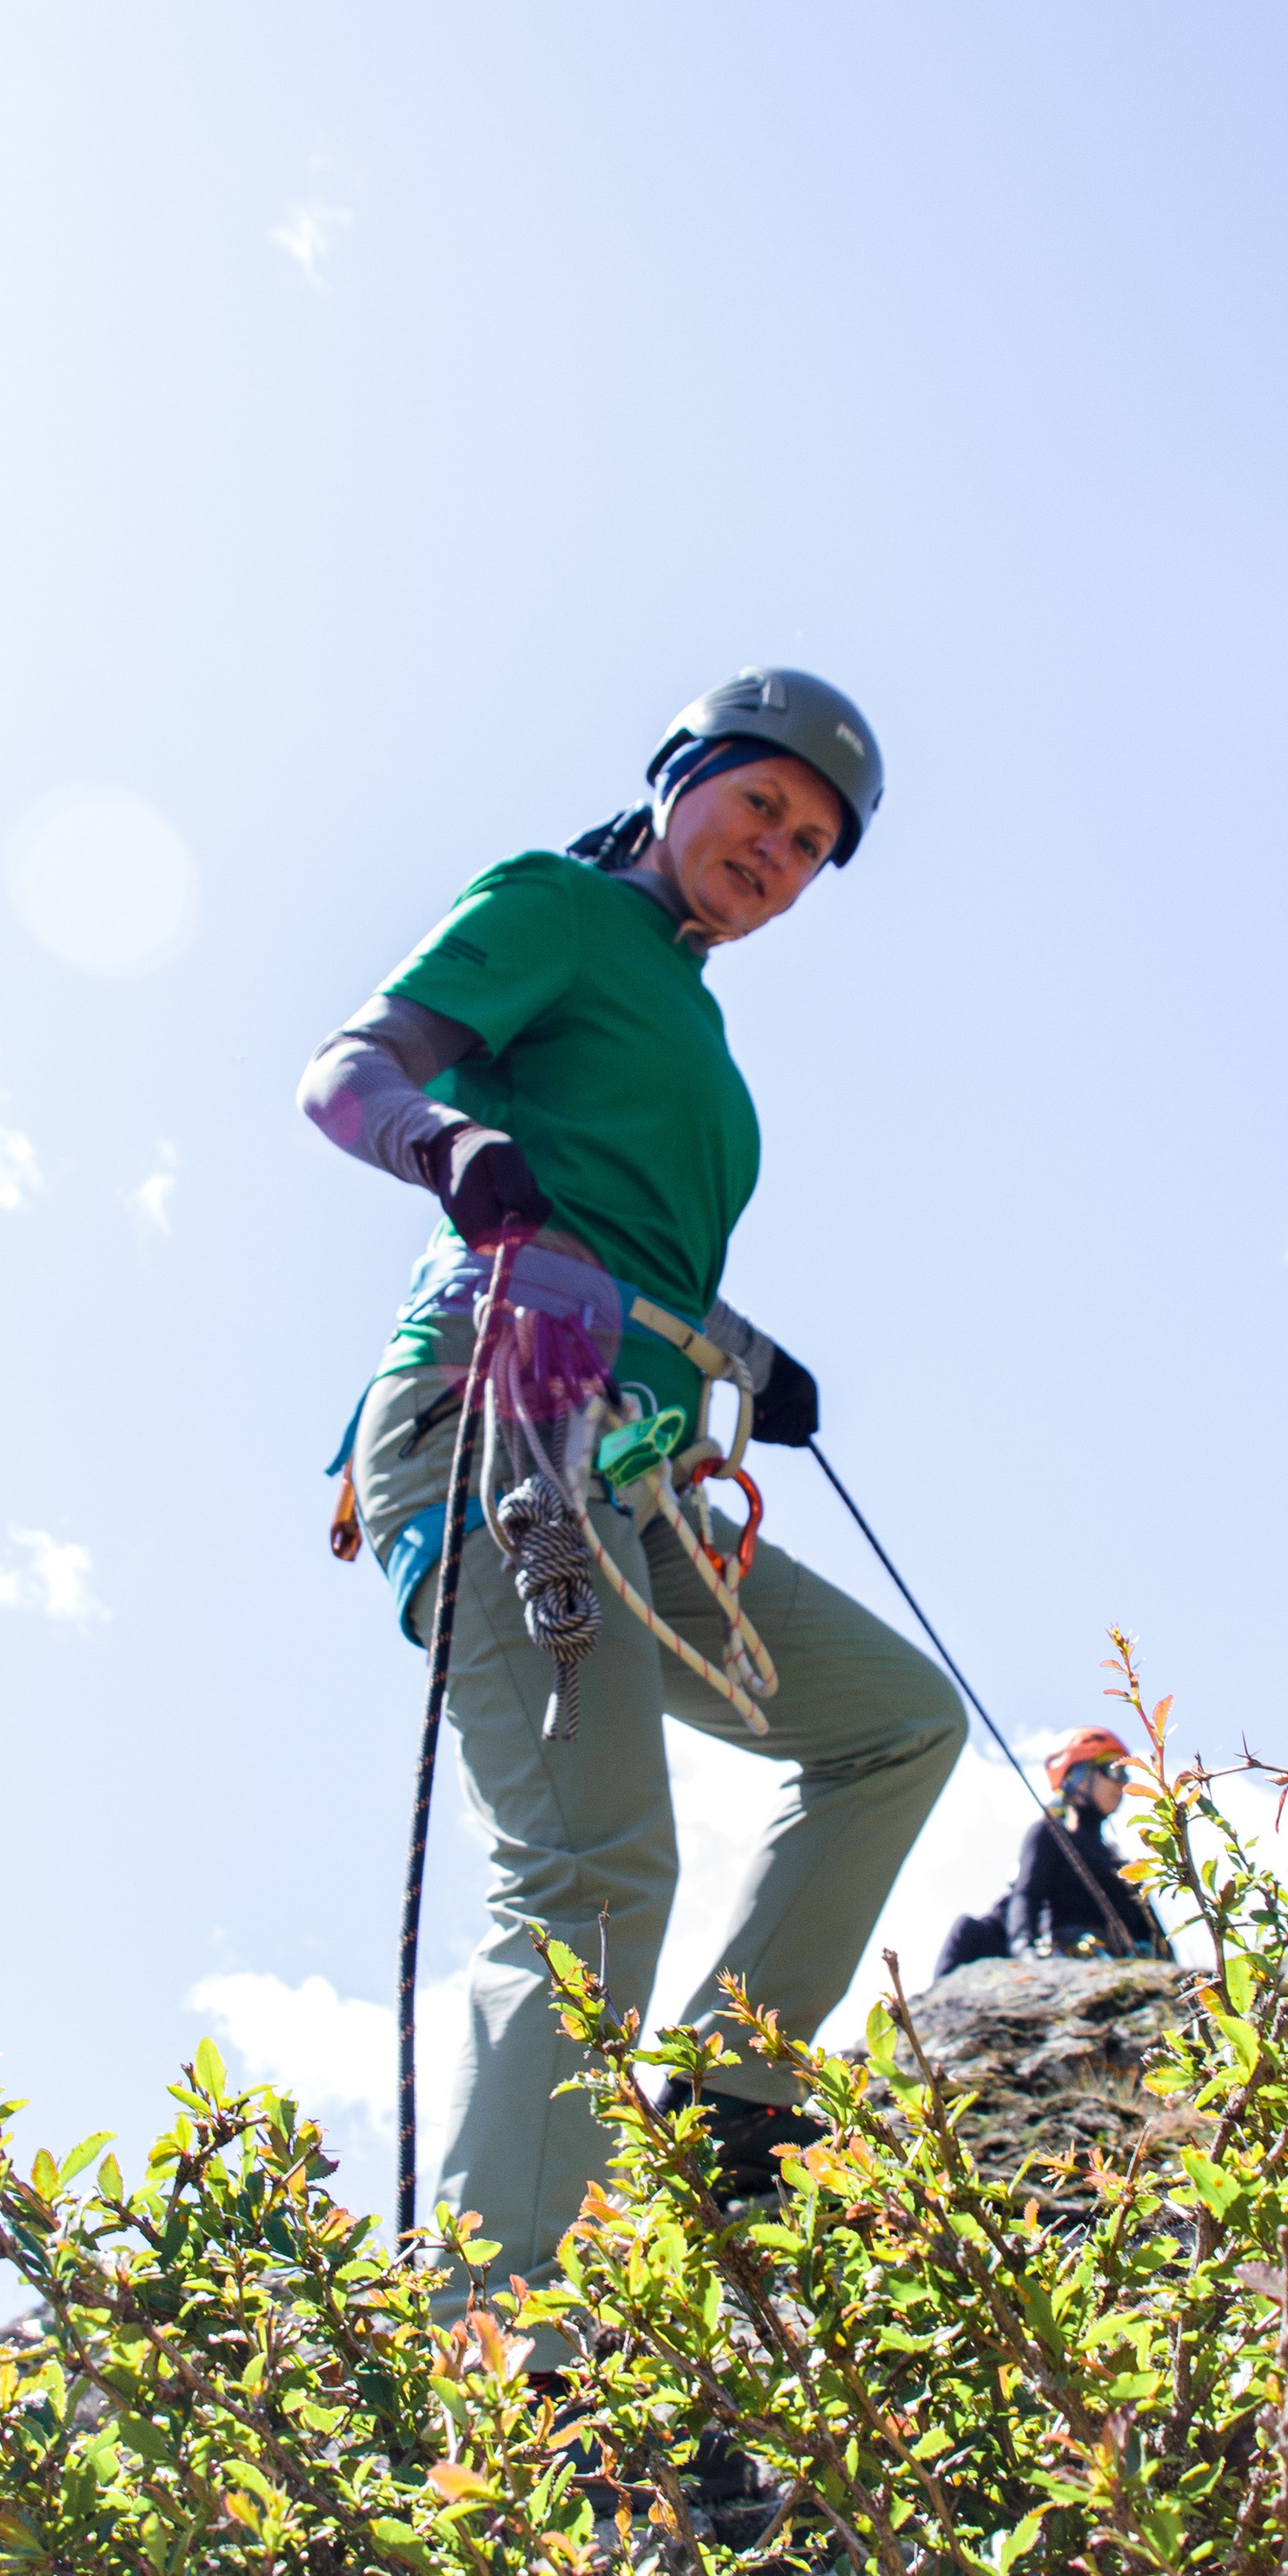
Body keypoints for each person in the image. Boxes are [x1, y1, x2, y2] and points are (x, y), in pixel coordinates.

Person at [301, 669, 964, 2283]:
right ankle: (499, 2341)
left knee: (896, 1723)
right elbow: (349, 1072)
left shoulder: (689, 1017)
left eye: (809, 847)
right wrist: (445, 1145)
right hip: (499, 1419)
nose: (775, 853)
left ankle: (735, 2101)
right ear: (683, 778)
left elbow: (625, 1236)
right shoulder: (558, 908)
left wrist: (743, 1352)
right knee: (591, 1873)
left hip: (633, 1461)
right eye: (761, 804)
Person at [933, 1729, 1169, 1972]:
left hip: (1114, 1964)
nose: (1121, 1783)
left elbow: (1159, 1941)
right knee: (966, 1929)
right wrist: (1023, 1948)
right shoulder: (1050, 1834)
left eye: (1125, 1774)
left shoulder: (1122, 1866)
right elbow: (1027, 1894)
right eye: (1113, 1770)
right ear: (1078, 1775)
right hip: (1065, 1957)